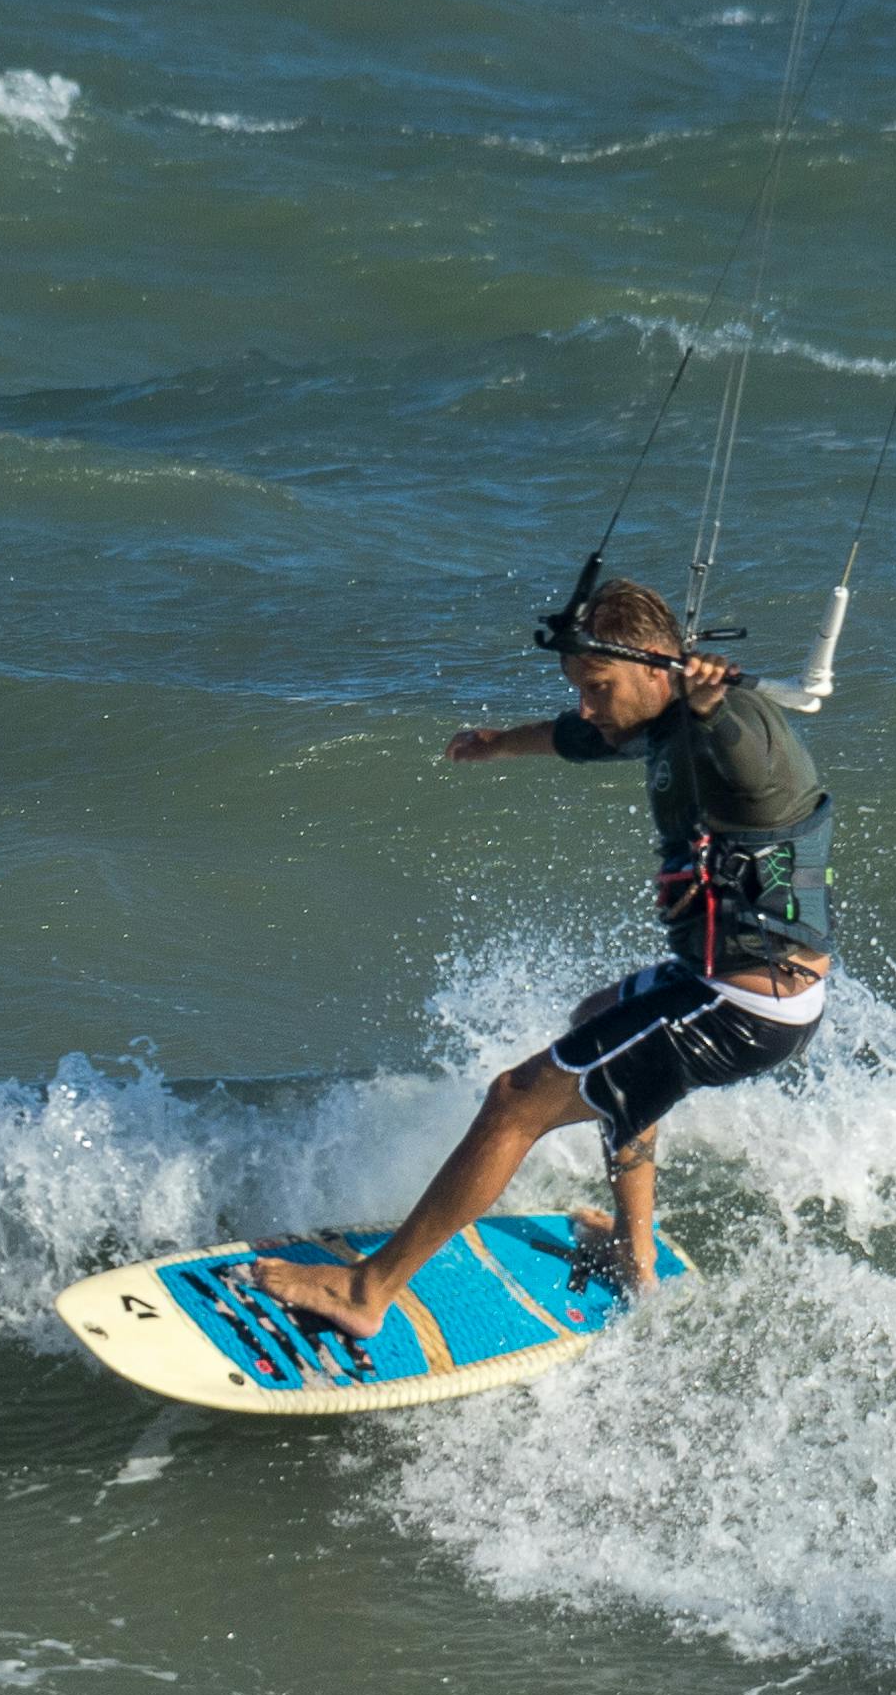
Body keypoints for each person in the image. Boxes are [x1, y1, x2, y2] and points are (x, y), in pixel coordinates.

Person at [252, 566, 832, 1336]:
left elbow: (748, 763)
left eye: (598, 686)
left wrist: (712, 706)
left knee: (515, 1102)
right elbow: (581, 738)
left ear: (660, 670)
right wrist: (496, 745)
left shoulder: (736, 736)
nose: (587, 706)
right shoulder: (654, 719)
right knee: (598, 1021)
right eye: (579, 688)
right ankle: (634, 1253)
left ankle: (368, 1292)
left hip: (746, 1004)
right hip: (721, 982)